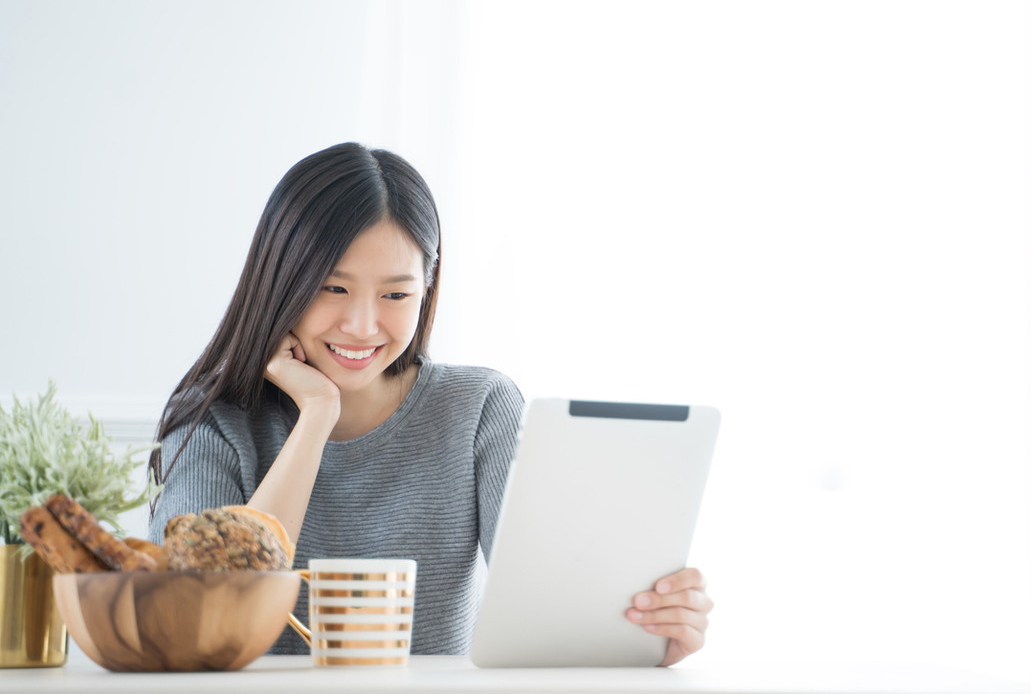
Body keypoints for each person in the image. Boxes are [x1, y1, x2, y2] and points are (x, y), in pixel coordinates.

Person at [148, 142, 712, 664]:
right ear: (281, 281)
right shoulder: (213, 425)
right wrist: (316, 416)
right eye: (333, 288)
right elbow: (195, 626)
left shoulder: (478, 409)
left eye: (395, 294)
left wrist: (643, 634)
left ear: (427, 288)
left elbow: (552, 619)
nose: (363, 325)